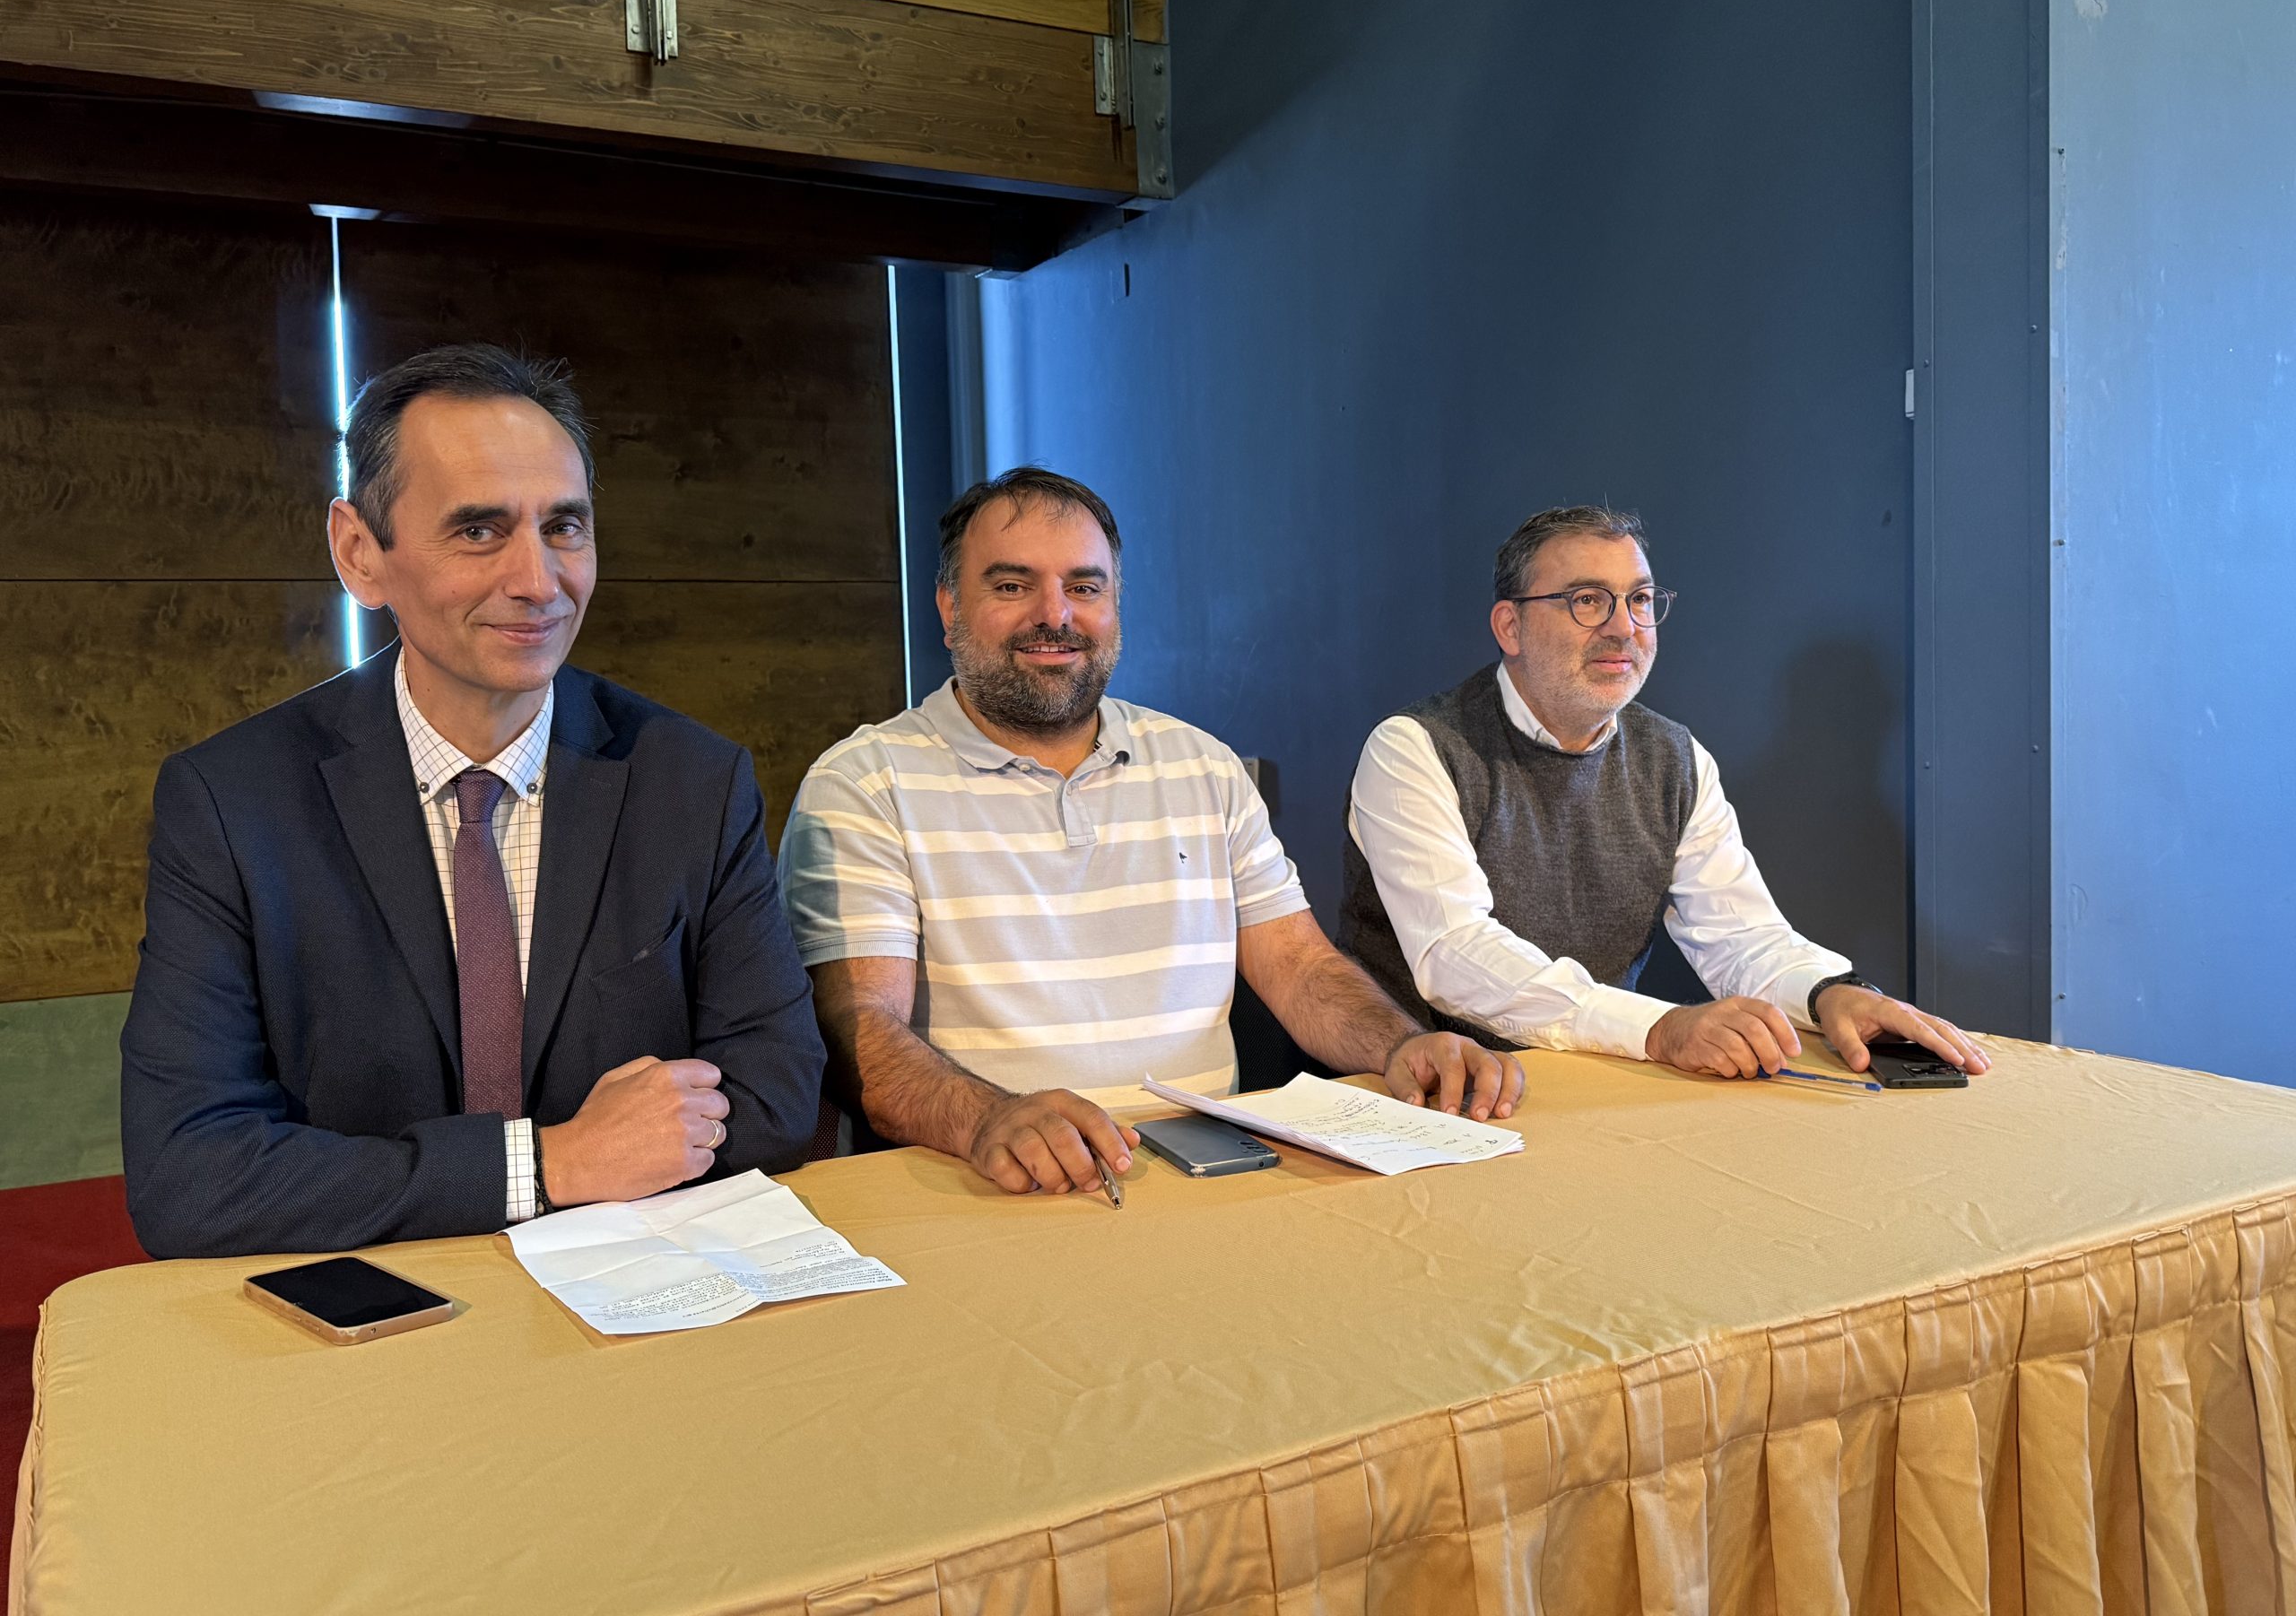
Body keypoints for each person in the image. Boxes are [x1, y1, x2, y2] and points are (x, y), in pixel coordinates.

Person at [118, 344, 826, 1259]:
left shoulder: (693, 780)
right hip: (378, 1304)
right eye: (480, 531)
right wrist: (546, 1164)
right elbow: (189, 1177)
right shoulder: (233, 802)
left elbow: (777, 1095)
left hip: (641, 1291)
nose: (538, 581)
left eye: (563, 526)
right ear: (360, 554)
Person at [780, 468, 1524, 1198]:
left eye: (1084, 587)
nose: (1054, 614)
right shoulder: (864, 784)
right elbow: (857, 1025)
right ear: (949, 607)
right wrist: (988, 1120)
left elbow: (1298, 966)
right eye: (1011, 586)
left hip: (1214, 1181)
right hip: (993, 1186)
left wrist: (1402, 1045)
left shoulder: (1203, 766)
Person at [1339, 504, 1987, 1082]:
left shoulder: (1676, 758)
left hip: (1596, 1085)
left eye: (1641, 600)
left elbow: (1741, 936)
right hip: (1418, 1100)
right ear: (1510, 627)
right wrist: (1657, 1028)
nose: (1624, 627)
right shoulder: (1415, 748)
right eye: (1588, 600)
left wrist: (1832, 993)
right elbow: (1456, 956)